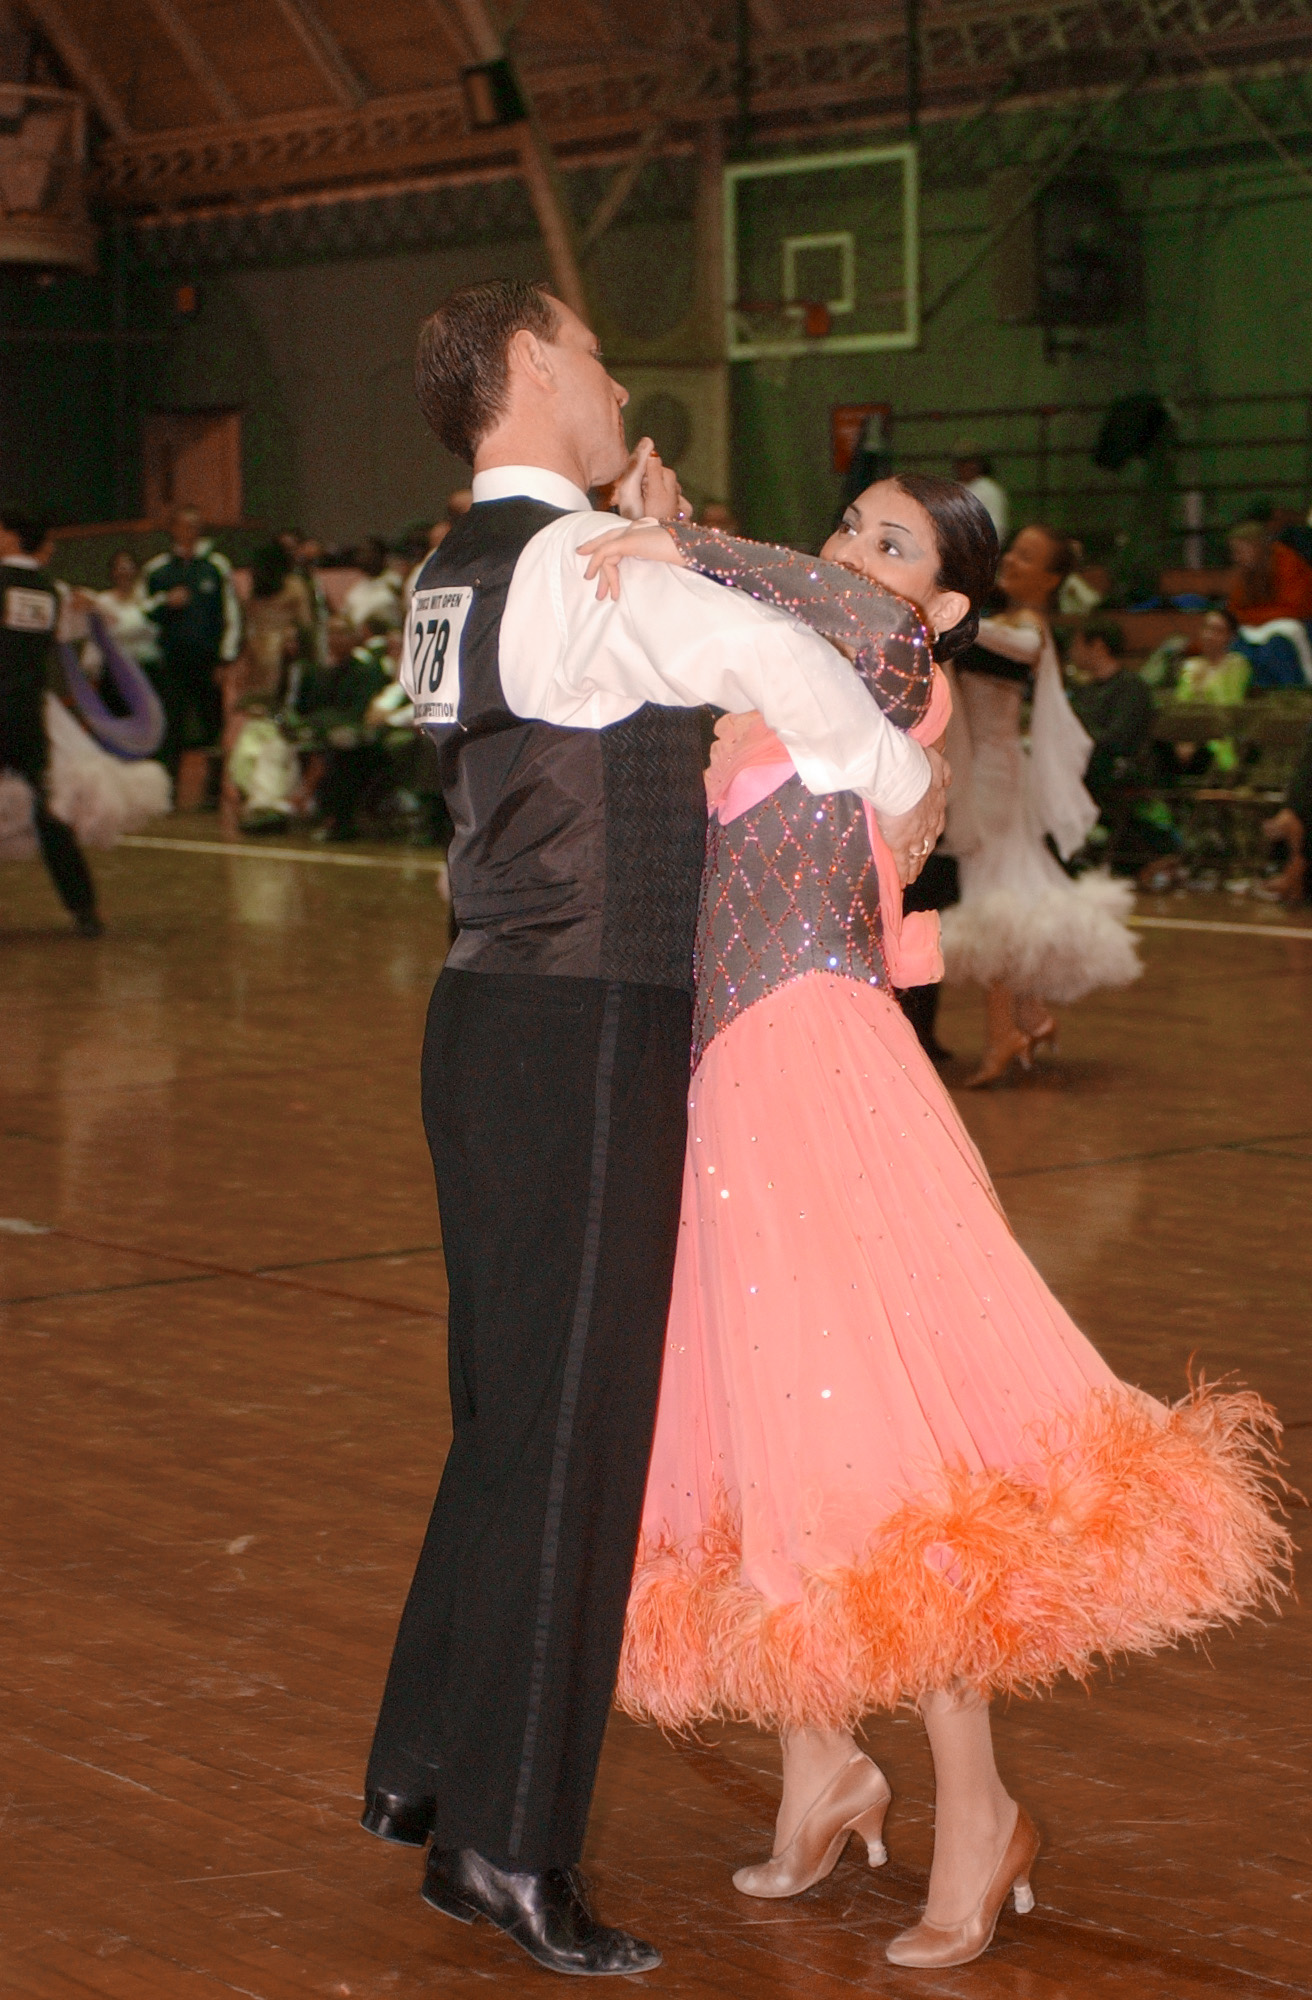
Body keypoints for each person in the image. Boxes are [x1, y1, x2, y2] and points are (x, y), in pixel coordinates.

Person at [583, 488, 1292, 1972]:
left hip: (814, 1075)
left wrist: (689, 544)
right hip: (731, 1083)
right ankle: (819, 1762)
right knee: (773, 1429)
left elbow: (833, 622)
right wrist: (668, 522)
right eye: (852, 525)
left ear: (947, 607)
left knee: (880, 1446)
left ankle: (979, 1809)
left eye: (893, 546)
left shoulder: (897, 668)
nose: (854, 553)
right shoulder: (808, 668)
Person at [360, 278, 945, 1981]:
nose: (619, 379)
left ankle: (427, 1765)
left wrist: (659, 539)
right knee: (572, 1439)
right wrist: (897, 782)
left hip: (486, 1017)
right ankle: (505, 1848)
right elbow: (779, 654)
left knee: (506, 1416)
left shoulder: (456, 569)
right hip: (584, 1029)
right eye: (599, 353)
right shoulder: (575, 567)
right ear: (534, 365)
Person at [942, 524, 1141, 1086]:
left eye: (1027, 557)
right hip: (992, 771)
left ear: (1051, 579)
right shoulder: (1000, 623)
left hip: (996, 777)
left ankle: (1004, 1031)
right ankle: (1030, 1017)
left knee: (995, 900)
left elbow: (1019, 650)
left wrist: (942, 616)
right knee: (1012, 892)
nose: (1011, 560)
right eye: (1014, 550)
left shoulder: (1026, 628)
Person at [0, 509, 103, 935]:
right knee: (48, 811)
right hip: (28, 714)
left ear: (11, 537)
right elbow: (76, 629)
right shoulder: (52, 591)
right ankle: (84, 908)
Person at [142, 505, 242, 775]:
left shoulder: (216, 566)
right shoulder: (157, 569)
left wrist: (225, 658)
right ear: (173, 529)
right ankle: (169, 786)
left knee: (212, 725)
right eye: (185, 526)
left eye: (195, 526)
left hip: (207, 660)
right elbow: (143, 613)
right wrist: (166, 601)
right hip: (171, 661)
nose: (190, 531)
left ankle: (215, 786)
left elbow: (231, 615)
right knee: (171, 726)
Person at [1068, 617, 1154, 807]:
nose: (1072, 652)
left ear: (1098, 646)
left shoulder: (1131, 687)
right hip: (1083, 763)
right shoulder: (1085, 690)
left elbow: (1119, 739)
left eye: (1077, 645)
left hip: (1113, 770)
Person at [1227, 519, 1312, 687]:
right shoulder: (1247, 572)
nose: (1236, 557)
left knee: (1275, 647)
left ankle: (1292, 689)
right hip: (1259, 628)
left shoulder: (1287, 561)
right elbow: (1234, 611)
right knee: (1239, 649)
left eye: (1240, 551)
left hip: (1297, 626)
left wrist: (1252, 617)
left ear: (1256, 547)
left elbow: (1296, 609)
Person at [1171, 606, 1251, 776]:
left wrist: (1204, 684)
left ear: (1230, 636)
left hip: (1218, 738)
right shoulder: (1190, 666)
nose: (1209, 635)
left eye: (1217, 631)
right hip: (1189, 736)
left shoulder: (1237, 664)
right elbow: (1182, 706)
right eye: (1206, 628)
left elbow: (1227, 706)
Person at [90, 551, 159, 671]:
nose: (125, 573)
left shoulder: (148, 599)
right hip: (118, 668)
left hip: (149, 666)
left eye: (128, 568)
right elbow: (96, 641)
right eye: (120, 569)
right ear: (113, 573)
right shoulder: (103, 602)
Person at [951, 441, 1008, 543]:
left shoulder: (990, 490)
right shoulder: (953, 488)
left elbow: (997, 528)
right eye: (962, 463)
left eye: (970, 462)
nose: (966, 467)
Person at [344, 536, 404, 631]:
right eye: (361, 554)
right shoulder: (357, 589)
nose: (362, 558)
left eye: (367, 553)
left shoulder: (395, 583)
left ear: (381, 556)